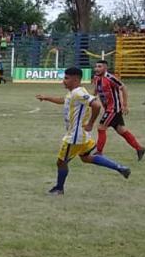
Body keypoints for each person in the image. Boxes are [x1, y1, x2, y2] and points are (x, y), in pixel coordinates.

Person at [36, 67, 131, 196]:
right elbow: (64, 100)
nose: (63, 81)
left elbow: (96, 104)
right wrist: (46, 98)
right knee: (86, 158)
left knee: (61, 162)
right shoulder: (73, 92)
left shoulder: (78, 93)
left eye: (66, 78)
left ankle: (59, 189)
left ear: (75, 79)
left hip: (75, 136)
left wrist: (91, 123)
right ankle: (120, 168)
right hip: (81, 135)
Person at [92, 60, 145, 160]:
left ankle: (99, 152)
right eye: (96, 67)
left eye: (99, 67)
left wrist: (125, 105)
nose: (97, 69)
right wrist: (91, 97)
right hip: (108, 109)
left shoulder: (110, 78)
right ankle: (139, 148)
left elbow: (123, 87)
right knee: (121, 131)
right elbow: (96, 90)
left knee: (101, 127)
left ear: (105, 68)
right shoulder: (96, 78)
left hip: (113, 109)